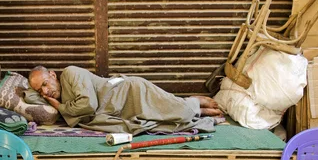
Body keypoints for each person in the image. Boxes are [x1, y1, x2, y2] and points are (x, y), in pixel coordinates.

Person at [28, 65, 223, 135]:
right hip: (121, 112)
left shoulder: (70, 73)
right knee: (163, 122)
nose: (45, 91)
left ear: (53, 75)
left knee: (179, 110)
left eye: (45, 83)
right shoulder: (52, 99)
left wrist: (61, 106)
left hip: (129, 93)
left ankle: (194, 101)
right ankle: (199, 110)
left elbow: (89, 104)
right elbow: (27, 96)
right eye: (40, 90)